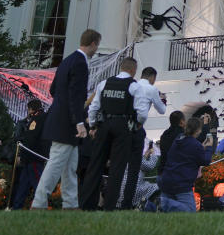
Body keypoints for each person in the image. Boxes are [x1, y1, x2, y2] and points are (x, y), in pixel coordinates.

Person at [31, 28, 101, 210]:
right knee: (55, 165)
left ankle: (70, 205)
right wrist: (79, 122)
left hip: (61, 120)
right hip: (67, 124)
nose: (96, 50)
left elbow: (54, 90)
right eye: (97, 46)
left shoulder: (67, 60)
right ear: (93, 44)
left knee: (69, 168)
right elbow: (76, 95)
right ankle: (38, 204)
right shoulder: (80, 63)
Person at [81, 56, 140, 211]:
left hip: (104, 124)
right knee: (117, 169)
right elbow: (141, 110)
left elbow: (94, 107)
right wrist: (137, 124)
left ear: (121, 67)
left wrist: (93, 125)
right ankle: (109, 207)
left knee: (95, 166)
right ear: (133, 70)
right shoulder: (134, 86)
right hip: (123, 125)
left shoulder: (104, 83)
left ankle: (86, 205)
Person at [119, 65, 166, 209]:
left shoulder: (132, 86)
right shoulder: (151, 89)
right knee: (135, 169)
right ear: (152, 77)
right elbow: (162, 110)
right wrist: (162, 99)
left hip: (122, 128)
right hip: (137, 127)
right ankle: (135, 204)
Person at [156, 116, 214, 212]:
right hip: (181, 182)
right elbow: (205, 161)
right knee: (190, 210)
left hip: (167, 178)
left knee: (167, 211)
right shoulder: (195, 145)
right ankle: (162, 202)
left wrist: (201, 147)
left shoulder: (178, 139)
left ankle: (150, 205)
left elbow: (186, 153)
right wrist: (208, 147)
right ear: (198, 130)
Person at [10, 99, 48, 209]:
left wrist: (22, 156)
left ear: (31, 109)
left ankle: (40, 206)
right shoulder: (44, 118)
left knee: (37, 183)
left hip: (33, 157)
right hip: (34, 157)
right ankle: (17, 206)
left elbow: (30, 139)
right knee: (24, 184)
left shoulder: (36, 120)